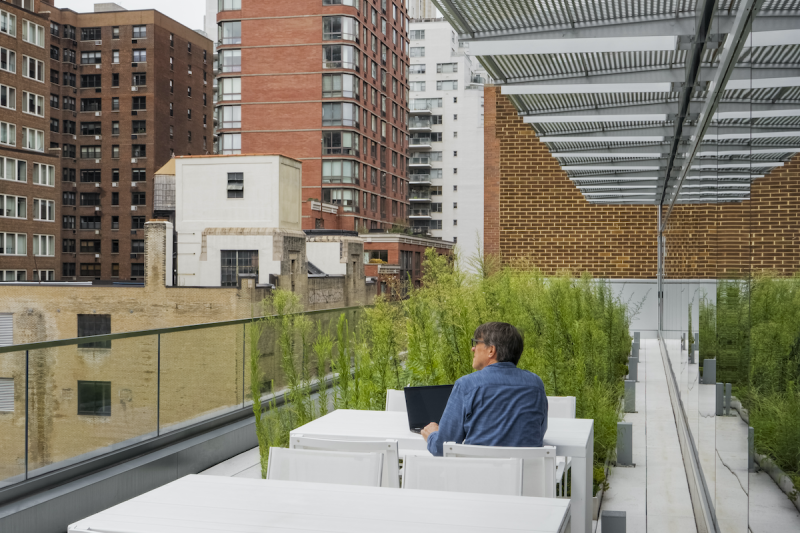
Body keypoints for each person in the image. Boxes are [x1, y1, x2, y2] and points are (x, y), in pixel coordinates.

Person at [421, 322, 548, 456]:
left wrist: (432, 435)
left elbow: (442, 448)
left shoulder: (467, 385)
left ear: (491, 350)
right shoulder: (536, 385)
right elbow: (539, 431)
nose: (473, 349)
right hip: (526, 475)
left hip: (479, 474)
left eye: (476, 343)